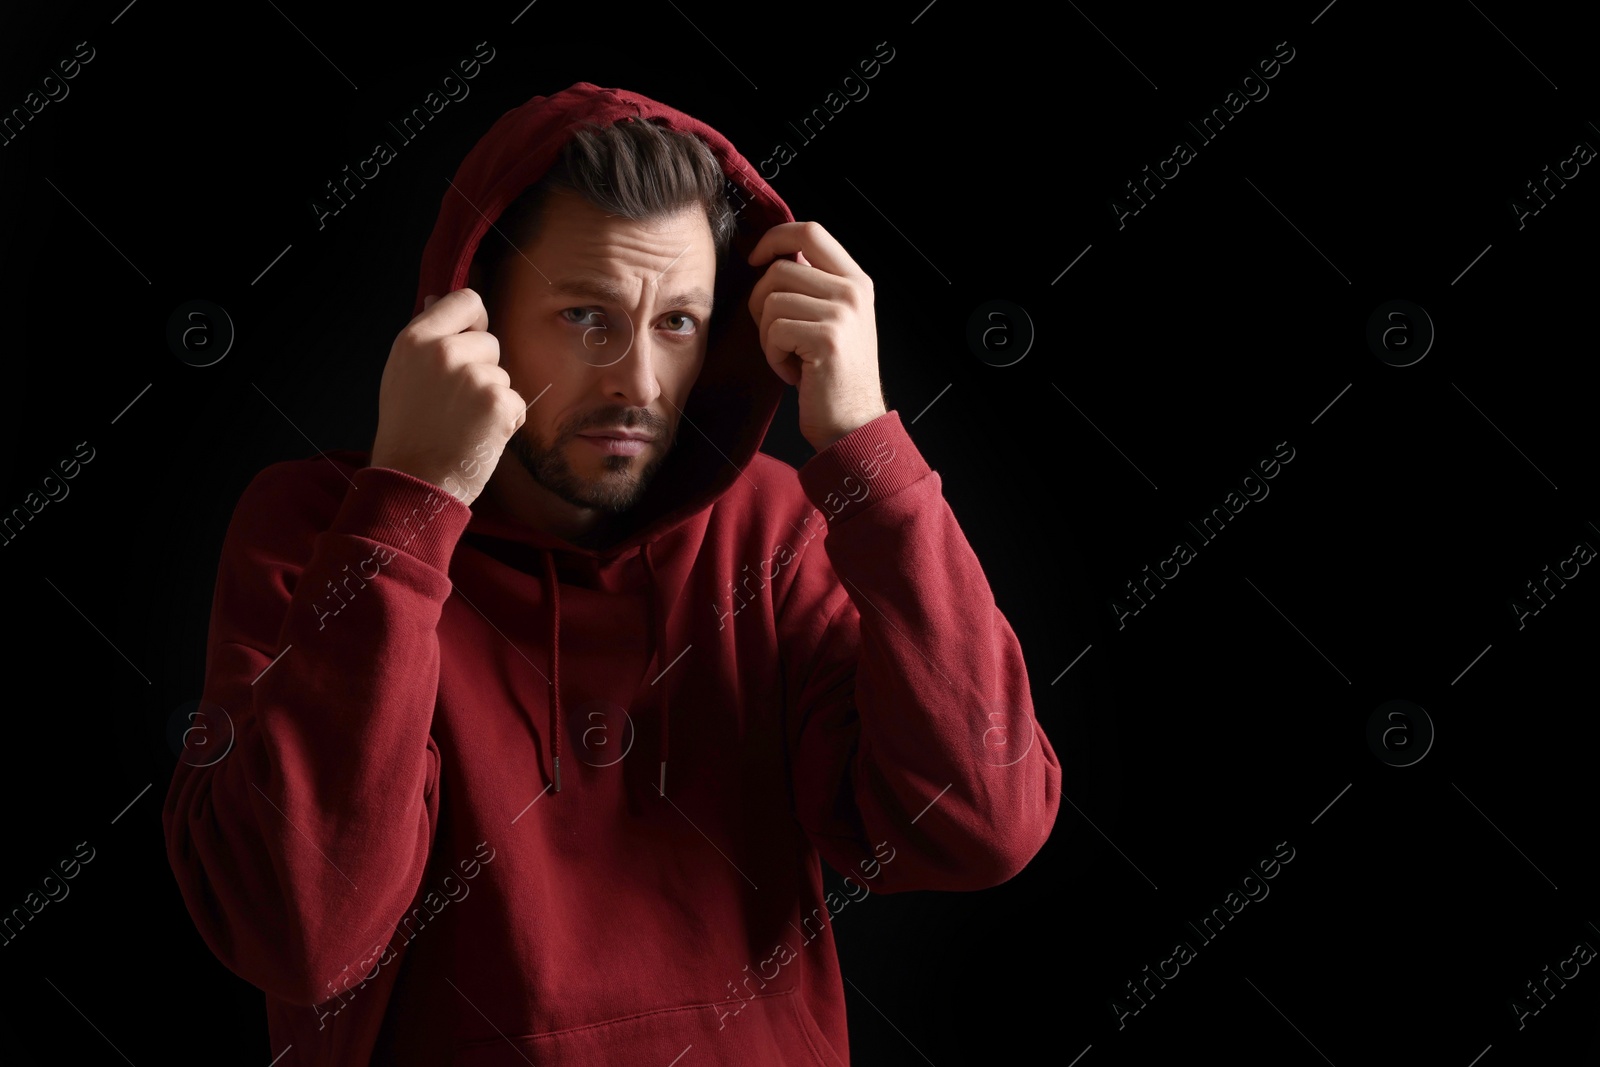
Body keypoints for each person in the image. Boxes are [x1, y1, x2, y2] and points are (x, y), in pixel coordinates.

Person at [163, 81, 1060, 1066]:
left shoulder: (779, 530)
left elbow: (983, 822)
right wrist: (409, 507)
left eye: (677, 323)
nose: (637, 380)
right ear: (475, 316)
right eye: (588, 316)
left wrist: (866, 447)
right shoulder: (319, 529)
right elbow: (299, 930)